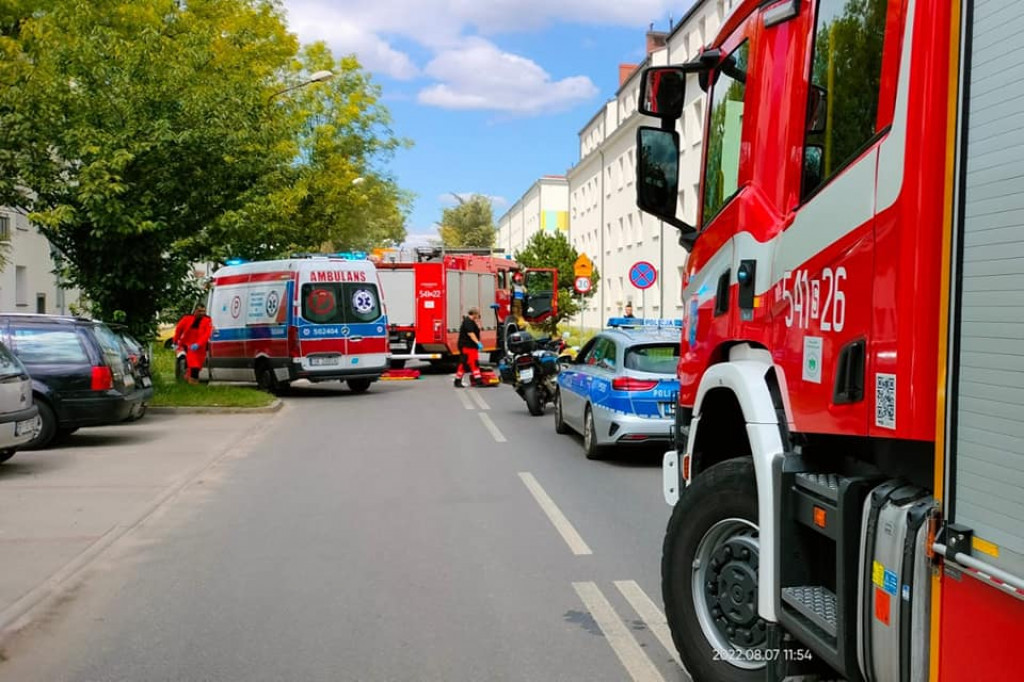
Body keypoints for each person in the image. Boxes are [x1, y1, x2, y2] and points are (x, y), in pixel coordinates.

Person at [173, 303, 213, 384]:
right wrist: (175, 341)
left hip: (200, 347)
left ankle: (191, 382)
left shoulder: (207, 320)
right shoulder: (187, 319)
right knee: (193, 366)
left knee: (197, 367)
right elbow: (178, 330)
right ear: (195, 311)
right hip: (187, 345)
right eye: (199, 311)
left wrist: (198, 344)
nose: (202, 313)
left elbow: (207, 334)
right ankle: (192, 383)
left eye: (203, 311)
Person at [454, 307, 484, 388]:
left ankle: (458, 380)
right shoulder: (468, 322)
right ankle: (478, 380)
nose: (478, 316)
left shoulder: (470, 321)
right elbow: (471, 334)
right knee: (473, 362)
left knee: (465, 363)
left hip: (468, 346)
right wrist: (478, 343)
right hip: (468, 346)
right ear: (474, 314)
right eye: (478, 315)